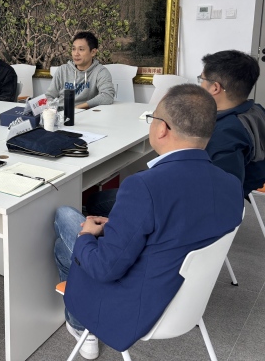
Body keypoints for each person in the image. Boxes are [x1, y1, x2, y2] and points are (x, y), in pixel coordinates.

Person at [54, 84, 243, 359]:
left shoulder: (144, 187)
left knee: (65, 220)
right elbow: (178, 225)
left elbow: (106, 268)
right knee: (73, 234)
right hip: (189, 300)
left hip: (136, 306)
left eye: (152, 118)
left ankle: (80, 324)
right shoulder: (231, 184)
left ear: (162, 128)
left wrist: (86, 235)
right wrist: (119, 226)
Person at [199, 50, 265, 196]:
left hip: (225, 197)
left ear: (215, 87)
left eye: (201, 79)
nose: (201, 85)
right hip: (253, 180)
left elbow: (222, 193)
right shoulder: (256, 110)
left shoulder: (223, 134)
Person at [46, 32, 114, 109]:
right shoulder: (62, 70)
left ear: (93, 52)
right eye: (73, 49)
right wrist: (51, 111)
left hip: (85, 113)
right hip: (60, 113)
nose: (76, 54)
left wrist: (77, 108)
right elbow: (49, 96)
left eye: (81, 49)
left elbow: (107, 96)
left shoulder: (100, 72)